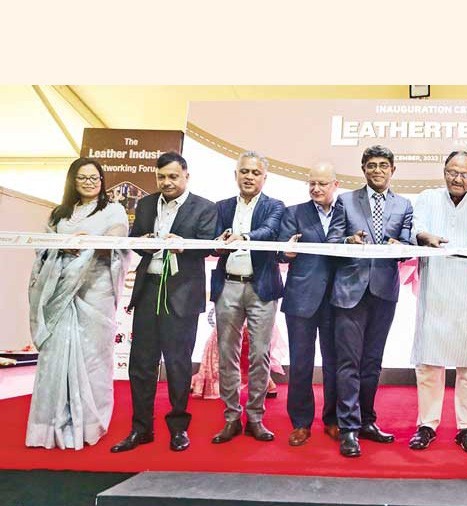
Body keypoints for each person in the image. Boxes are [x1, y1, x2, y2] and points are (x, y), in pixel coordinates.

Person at [110, 152, 216, 453]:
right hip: (148, 289)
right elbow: (136, 241)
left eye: (173, 176)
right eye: (161, 177)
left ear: (186, 176)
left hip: (181, 294)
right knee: (141, 365)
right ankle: (141, 429)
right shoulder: (145, 203)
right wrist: (146, 241)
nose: (166, 182)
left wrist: (181, 246)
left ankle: (178, 429)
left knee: (178, 365)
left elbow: (209, 246)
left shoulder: (205, 207)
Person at [26, 158, 129, 449]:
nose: (89, 182)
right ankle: (50, 426)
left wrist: (90, 240)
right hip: (59, 292)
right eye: (82, 178)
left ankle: (89, 424)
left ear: (102, 180)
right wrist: (63, 244)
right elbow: (41, 246)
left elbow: (118, 238)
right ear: (73, 181)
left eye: (94, 177)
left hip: (95, 291)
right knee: (55, 357)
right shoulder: (59, 214)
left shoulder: (112, 209)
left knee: (93, 358)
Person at [408, 151, 467, 454]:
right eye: (451, 172)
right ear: (444, 172)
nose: (456, 179)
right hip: (436, 286)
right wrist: (425, 236)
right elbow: (416, 228)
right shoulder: (427, 197)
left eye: (463, 174)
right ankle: (427, 425)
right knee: (430, 361)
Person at [325, 145, 414, 457]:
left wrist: (397, 245)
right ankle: (348, 427)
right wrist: (350, 241)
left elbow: (407, 246)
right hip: (349, 292)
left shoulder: (404, 205)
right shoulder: (346, 201)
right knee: (348, 362)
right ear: (363, 169)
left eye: (383, 165)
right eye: (372, 165)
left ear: (392, 170)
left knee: (372, 363)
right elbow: (332, 243)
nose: (378, 170)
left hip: (384, 292)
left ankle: (367, 421)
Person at [209, 151, 284, 443]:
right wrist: (218, 244)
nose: (249, 177)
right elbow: (212, 241)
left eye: (255, 172)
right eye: (244, 172)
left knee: (259, 354)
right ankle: (231, 418)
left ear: (264, 177)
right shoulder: (222, 207)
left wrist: (245, 237)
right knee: (226, 353)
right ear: (236, 175)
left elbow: (270, 231)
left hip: (261, 287)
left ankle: (255, 417)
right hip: (227, 285)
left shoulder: (275, 206)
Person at [278, 162, 340, 452]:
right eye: (312, 183)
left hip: (338, 299)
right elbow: (281, 250)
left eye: (322, 183)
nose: (316, 188)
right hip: (301, 298)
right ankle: (300, 422)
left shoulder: (346, 211)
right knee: (300, 363)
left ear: (335, 185)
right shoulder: (294, 212)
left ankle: (333, 419)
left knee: (335, 363)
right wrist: (286, 252)